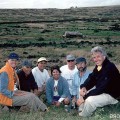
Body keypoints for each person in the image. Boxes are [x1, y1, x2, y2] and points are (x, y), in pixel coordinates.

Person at [77, 46, 120, 117]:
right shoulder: (99, 66)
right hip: (103, 91)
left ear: (104, 56)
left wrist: (84, 97)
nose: (96, 59)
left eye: (98, 56)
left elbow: (103, 88)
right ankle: (81, 109)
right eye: (94, 57)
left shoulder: (109, 67)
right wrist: (84, 86)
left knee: (90, 100)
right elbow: (92, 78)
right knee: (81, 89)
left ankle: (83, 116)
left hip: (112, 95)